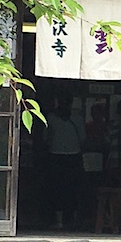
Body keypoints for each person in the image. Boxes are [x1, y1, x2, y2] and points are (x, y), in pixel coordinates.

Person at [46, 92, 85, 230]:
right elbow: (82, 139)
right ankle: (73, 220)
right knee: (73, 188)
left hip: (55, 156)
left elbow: (47, 138)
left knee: (57, 189)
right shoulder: (77, 118)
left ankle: (59, 221)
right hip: (74, 157)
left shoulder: (51, 118)